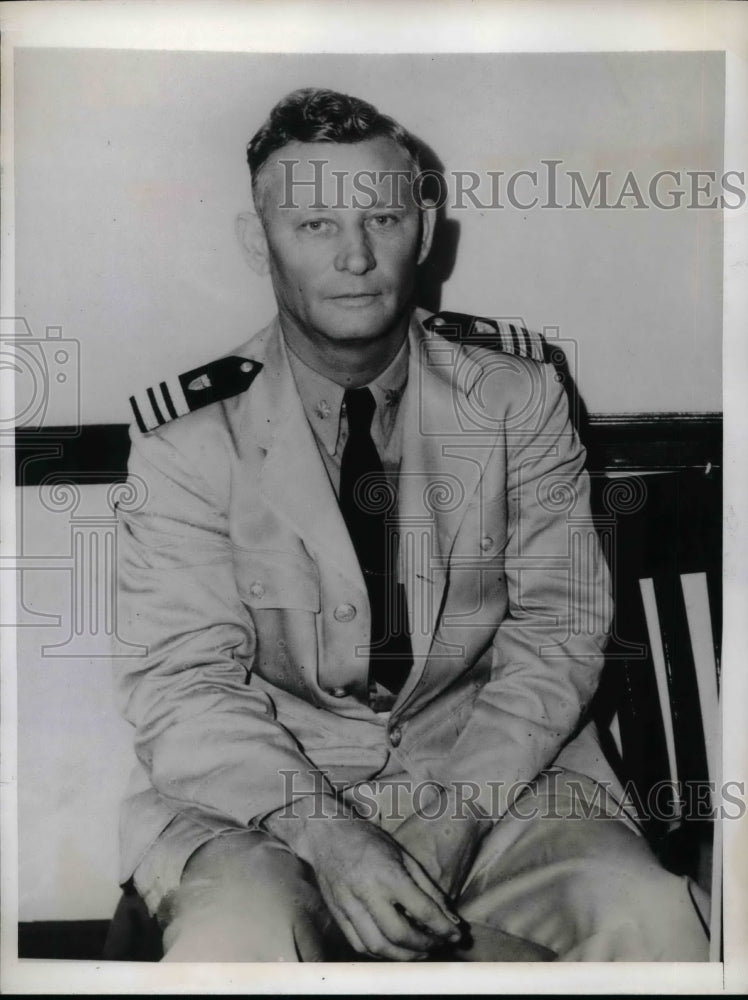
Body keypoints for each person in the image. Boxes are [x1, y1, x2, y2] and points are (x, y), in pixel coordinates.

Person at [115, 87, 709, 962]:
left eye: (382, 218)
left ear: (424, 233)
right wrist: (328, 834)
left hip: (502, 785)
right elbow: (182, 686)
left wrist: (454, 817)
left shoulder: (517, 396)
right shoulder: (189, 438)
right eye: (314, 224)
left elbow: (562, 629)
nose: (355, 257)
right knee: (236, 940)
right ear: (258, 242)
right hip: (265, 805)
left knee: (654, 921)